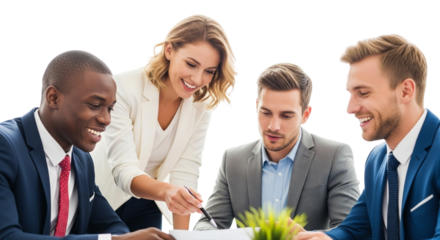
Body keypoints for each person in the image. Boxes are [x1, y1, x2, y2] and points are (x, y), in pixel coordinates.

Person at [0, 49, 175, 240]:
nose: (106, 119)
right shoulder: (5, 146)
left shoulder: (81, 160)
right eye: (94, 105)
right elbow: (7, 236)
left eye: (110, 109)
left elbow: (110, 225)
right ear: (54, 98)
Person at [90, 13, 240, 231]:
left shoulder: (202, 104)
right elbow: (123, 169)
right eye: (191, 64)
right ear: (169, 50)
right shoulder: (121, 88)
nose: (197, 80)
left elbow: (187, 169)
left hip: (148, 200)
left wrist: (183, 235)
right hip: (101, 197)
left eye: (209, 71)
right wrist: (167, 192)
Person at [193, 62, 360, 232]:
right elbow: (208, 223)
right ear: (255, 106)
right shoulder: (232, 159)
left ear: (306, 115)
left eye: (286, 115)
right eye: (266, 113)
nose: (273, 126)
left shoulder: (334, 156)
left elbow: (351, 231)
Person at [297, 33, 435, 240]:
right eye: (349, 94)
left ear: (405, 91)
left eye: (363, 93)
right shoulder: (377, 159)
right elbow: (356, 230)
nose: (349, 108)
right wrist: (325, 239)